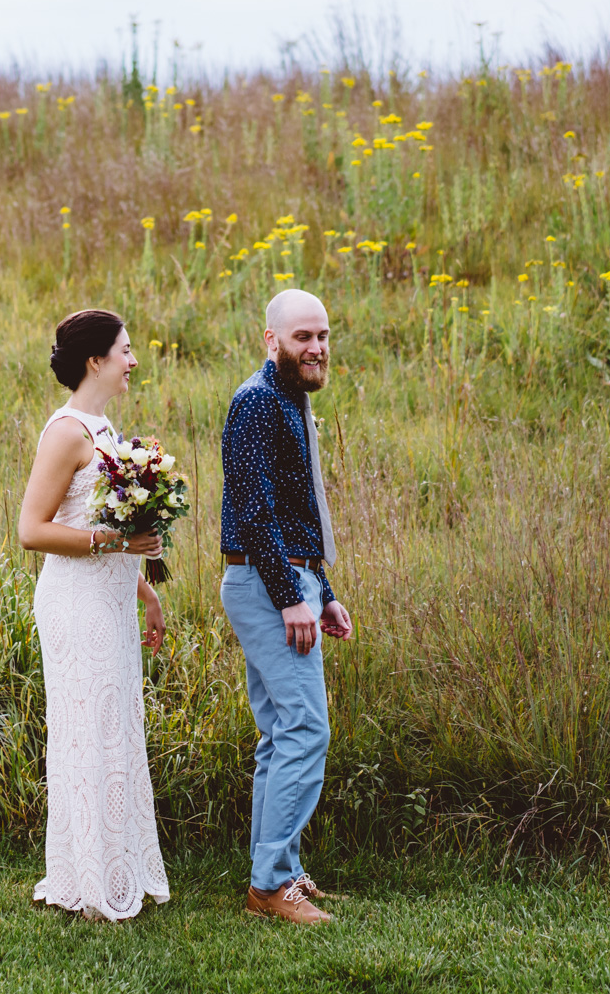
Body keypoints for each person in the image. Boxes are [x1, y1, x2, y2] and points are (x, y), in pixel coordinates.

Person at [17, 308, 171, 923]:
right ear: (94, 361)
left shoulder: (105, 428)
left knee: (115, 730)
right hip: (74, 604)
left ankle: (118, 868)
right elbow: (32, 530)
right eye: (124, 350)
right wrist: (118, 543)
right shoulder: (66, 433)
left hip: (109, 602)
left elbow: (101, 521)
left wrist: (145, 591)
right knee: (87, 734)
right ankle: (85, 881)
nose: (133, 361)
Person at [219, 287, 355, 925]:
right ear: (271, 339)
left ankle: (281, 872)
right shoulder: (256, 401)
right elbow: (254, 511)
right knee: (306, 729)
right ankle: (270, 886)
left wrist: (321, 592)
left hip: (288, 580)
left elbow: (295, 513)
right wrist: (289, 596)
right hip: (266, 583)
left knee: (280, 734)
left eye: (323, 336)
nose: (316, 347)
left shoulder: (291, 400)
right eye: (303, 336)